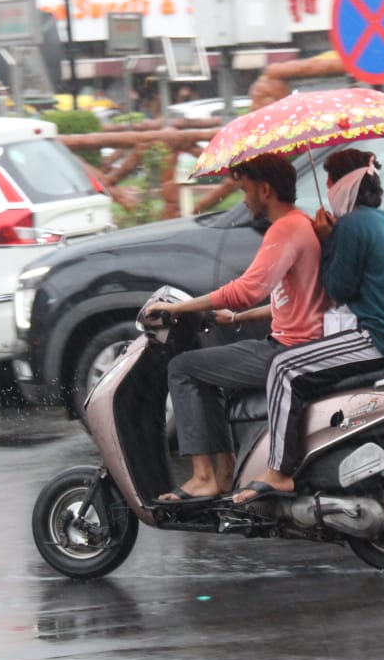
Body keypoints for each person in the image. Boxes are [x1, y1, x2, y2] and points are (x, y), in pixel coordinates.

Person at [231, 148, 384, 505]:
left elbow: (338, 288)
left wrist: (327, 242)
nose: (326, 187)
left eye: (329, 180)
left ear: (341, 184)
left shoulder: (353, 226)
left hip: (383, 337)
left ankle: (279, 472)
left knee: (284, 366)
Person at [139, 153, 330, 502]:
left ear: (265, 189)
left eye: (245, 189)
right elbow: (291, 301)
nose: (243, 199)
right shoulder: (303, 223)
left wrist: (178, 307)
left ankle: (203, 477)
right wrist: (238, 318)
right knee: (210, 371)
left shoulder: (285, 228)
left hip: (289, 350)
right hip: (303, 343)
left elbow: (245, 291)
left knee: (183, 368)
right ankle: (224, 473)